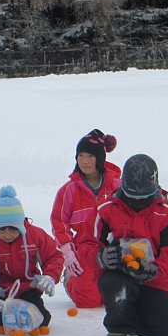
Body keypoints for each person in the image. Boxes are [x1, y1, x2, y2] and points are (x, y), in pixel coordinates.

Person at [81, 154, 168, 336]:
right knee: (116, 286)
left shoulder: (167, 214)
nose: (136, 202)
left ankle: (134, 318)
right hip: (117, 277)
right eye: (132, 197)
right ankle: (118, 325)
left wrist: (156, 270)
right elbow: (85, 242)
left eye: (143, 198)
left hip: (154, 282)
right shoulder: (105, 210)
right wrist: (100, 257)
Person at [0, 186, 63, 333]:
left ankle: (16, 321)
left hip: (27, 290)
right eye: (2, 229)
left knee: (42, 319)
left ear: (21, 226)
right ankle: (9, 322)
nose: (8, 234)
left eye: (13, 229)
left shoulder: (36, 236)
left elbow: (54, 256)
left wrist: (50, 276)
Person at [51, 129, 121, 308]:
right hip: (84, 250)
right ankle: (70, 279)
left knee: (120, 298)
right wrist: (69, 254)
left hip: (114, 248)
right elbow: (59, 223)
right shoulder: (69, 190)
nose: (84, 161)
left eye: (90, 156)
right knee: (89, 300)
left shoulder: (117, 186)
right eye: (80, 155)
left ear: (100, 158)